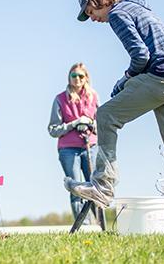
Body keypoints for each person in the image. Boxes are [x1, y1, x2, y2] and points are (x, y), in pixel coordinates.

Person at [65, 0, 164, 209]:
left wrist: (125, 79)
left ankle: (102, 186)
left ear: (98, 1)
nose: (93, 19)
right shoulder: (137, 7)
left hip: (162, 76)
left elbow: (140, 55)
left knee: (106, 115)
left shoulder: (117, 13)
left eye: (91, 12)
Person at [48, 63, 98, 222]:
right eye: (74, 76)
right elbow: (53, 130)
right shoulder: (60, 99)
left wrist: (91, 123)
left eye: (81, 76)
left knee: (95, 186)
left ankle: (99, 223)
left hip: (90, 146)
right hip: (69, 150)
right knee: (76, 187)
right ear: (69, 78)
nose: (77, 79)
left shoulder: (93, 97)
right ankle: (83, 225)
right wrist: (74, 123)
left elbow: (101, 123)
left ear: (86, 78)